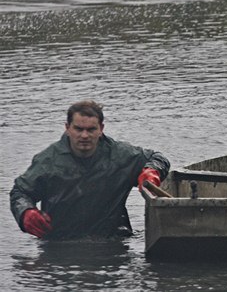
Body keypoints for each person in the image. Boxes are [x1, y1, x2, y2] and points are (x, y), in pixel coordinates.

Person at [10, 100, 170, 240]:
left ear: (101, 129)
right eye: (78, 129)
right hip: (61, 241)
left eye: (91, 129)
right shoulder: (47, 161)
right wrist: (26, 212)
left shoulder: (121, 156)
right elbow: (20, 192)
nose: (84, 135)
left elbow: (158, 158)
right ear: (67, 128)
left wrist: (151, 171)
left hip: (111, 240)